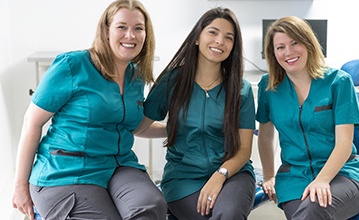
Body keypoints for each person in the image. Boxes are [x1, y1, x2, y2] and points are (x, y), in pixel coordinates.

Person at [11, 1, 167, 219]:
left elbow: (133, 126)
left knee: (151, 206)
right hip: (66, 170)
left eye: (138, 28)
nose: (130, 35)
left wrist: (175, 129)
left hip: (117, 165)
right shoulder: (73, 65)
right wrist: (20, 186)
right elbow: (32, 122)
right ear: (106, 31)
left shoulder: (136, 76)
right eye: (122, 27)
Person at [135, 7, 256, 220]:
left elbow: (244, 150)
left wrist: (221, 175)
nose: (220, 41)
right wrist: (172, 129)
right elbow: (140, 126)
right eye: (213, 32)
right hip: (183, 178)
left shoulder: (242, 90)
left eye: (229, 37)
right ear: (198, 37)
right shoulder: (172, 81)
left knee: (228, 215)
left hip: (232, 175)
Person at [256, 16, 359, 219]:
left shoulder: (338, 82)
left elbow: (344, 142)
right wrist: (268, 175)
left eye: (295, 43)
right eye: (280, 47)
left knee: (311, 211)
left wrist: (323, 179)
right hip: (294, 178)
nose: (288, 52)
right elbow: (265, 136)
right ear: (273, 53)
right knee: (307, 212)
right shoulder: (269, 86)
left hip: (343, 173)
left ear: (308, 43)